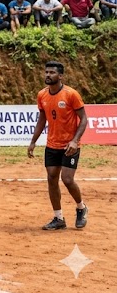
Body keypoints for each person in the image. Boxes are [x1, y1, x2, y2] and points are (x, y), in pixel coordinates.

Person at [28, 61, 89, 231]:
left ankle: (81, 207)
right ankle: (58, 218)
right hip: (52, 144)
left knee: (67, 179)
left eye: (52, 72)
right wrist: (33, 141)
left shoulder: (71, 94)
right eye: (46, 72)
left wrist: (75, 141)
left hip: (70, 145)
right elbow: (42, 119)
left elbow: (84, 119)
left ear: (60, 76)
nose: (48, 75)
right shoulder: (42, 95)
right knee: (52, 178)